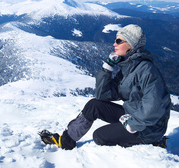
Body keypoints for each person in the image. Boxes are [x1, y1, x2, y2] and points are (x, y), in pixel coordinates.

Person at [39, 24, 171, 149]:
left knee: (99, 136)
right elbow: (103, 95)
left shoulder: (147, 70)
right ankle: (65, 141)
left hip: (148, 128)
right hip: (132, 115)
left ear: (131, 45)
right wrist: (107, 67)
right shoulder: (127, 69)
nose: (114, 44)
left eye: (119, 41)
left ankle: (154, 142)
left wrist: (133, 124)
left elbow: (155, 106)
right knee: (94, 105)